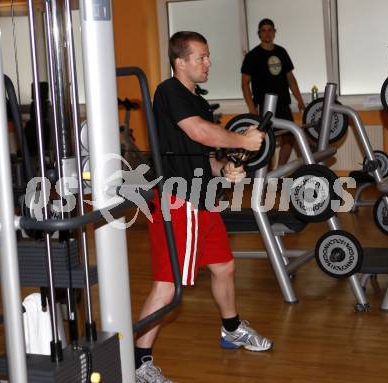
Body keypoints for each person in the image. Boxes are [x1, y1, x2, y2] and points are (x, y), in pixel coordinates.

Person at [134, 31, 272, 383]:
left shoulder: (199, 100)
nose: (207, 63)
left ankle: (231, 328)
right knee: (168, 286)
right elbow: (199, 133)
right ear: (180, 62)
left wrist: (225, 169)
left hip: (204, 198)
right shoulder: (170, 92)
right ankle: (138, 361)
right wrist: (243, 140)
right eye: (201, 58)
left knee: (224, 266)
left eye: (208, 57)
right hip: (178, 201)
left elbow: (204, 155)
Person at [241, 18, 305, 167]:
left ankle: (278, 173)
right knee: (265, 142)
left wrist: (300, 100)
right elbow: (244, 84)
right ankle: (266, 177)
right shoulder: (252, 56)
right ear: (259, 34)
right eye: (264, 30)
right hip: (264, 106)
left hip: (283, 103)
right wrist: (251, 108)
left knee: (289, 138)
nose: (267, 33)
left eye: (270, 30)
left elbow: (291, 78)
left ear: (274, 32)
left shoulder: (281, 52)